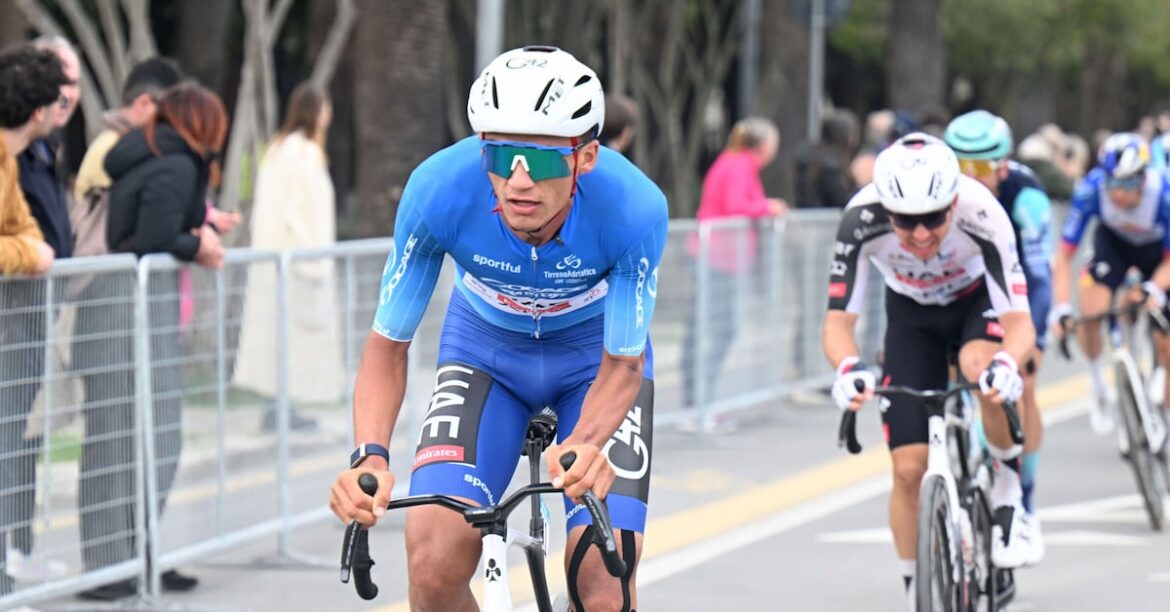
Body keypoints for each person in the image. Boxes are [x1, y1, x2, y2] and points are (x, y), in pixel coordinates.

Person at [328, 46, 667, 611]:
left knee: (605, 588)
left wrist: (584, 445)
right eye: (501, 153)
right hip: (484, 354)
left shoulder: (634, 208)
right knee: (433, 565)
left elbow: (624, 362)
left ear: (585, 158)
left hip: (593, 366)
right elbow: (387, 347)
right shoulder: (440, 189)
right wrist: (369, 458)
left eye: (540, 160)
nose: (517, 180)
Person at [822, 133, 1036, 608]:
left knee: (979, 367)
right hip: (911, 314)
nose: (921, 235)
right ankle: (914, 585)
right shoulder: (860, 219)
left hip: (976, 302)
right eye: (906, 221)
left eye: (934, 218)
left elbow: (1021, 325)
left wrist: (1007, 362)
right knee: (907, 470)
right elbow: (838, 323)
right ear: (885, 210)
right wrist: (848, 367)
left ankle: (1006, 492)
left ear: (953, 202)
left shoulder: (983, 213)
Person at [72, 82, 227, 601]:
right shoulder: (175, 164)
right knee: (122, 443)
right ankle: (111, 566)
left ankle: (137, 556)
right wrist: (197, 246)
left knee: (136, 441)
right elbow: (152, 237)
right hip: (124, 320)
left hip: (125, 319)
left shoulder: (155, 157)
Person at [945, 109, 1053, 565]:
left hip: (1016, 291)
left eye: (982, 170)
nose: (971, 178)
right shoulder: (939, 194)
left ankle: (1025, 506)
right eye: (961, 167)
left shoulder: (1026, 197)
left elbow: (1040, 277)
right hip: (960, 291)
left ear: (1003, 167)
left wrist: (1031, 344)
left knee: (1021, 385)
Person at [3, 36, 81, 585]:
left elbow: (20, 222)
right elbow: (20, 239)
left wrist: (35, 247)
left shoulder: (13, 159)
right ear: (38, 109)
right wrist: (33, 253)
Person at [1049, 133, 1170, 444]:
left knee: (1165, 332)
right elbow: (1063, 256)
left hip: (1159, 253)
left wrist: (1155, 288)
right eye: (1112, 183)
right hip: (1113, 245)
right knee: (1090, 313)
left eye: (1128, 185)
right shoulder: (1091, 189)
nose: (1118, 194)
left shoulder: (1164, 192)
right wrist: (1061, 306)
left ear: (1143, 179)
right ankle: (1097, 383)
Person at [233, 82, 341, 430]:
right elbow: (300, 213)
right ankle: (282, 410)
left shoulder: (278, 149)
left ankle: (277, 407)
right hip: (295, 262)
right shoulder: (304, 153)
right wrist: (315, 258)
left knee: (276, 336)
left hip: (275, 260)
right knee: (291, 338)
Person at [680, 117, 785, 428]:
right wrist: (769, 208)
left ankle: (698, 402)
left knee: (708, 329)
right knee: (719, 331)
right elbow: (738, 204)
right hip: (718, 258)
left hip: (717, 256)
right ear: (765, 145)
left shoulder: (733, 162)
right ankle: (699, 403)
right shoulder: (740, 165)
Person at [794, 110, 859, 209]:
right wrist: (859, 183)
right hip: (825, 218)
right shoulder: (830, 165)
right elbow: (841, 201)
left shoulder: (811, 155)